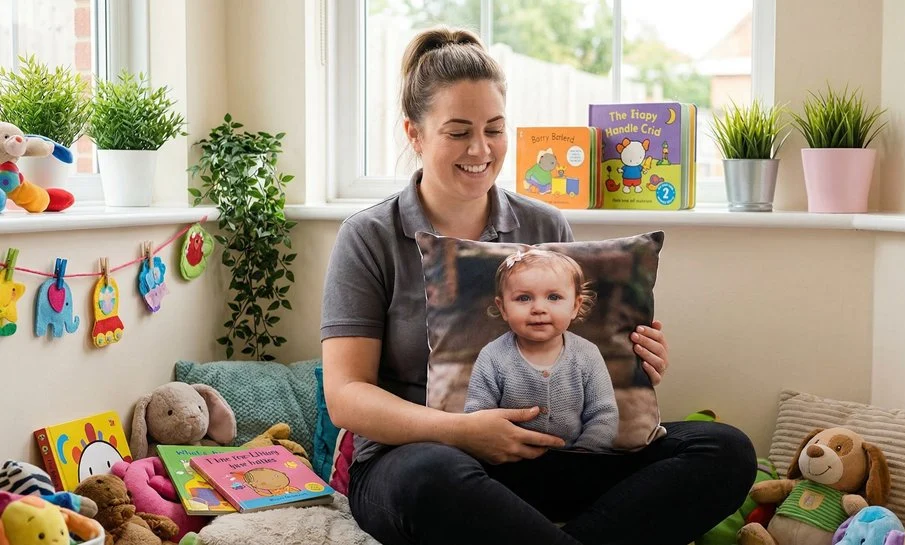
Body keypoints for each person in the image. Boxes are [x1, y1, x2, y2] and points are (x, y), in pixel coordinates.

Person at [321, 25, 756, 545]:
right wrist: (461, 431)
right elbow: (345, 396)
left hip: (554, 451)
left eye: (495, 129)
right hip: (423, 459)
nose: (480, 149)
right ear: (415, 134)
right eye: (457, 132)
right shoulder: (369, 236)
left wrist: (637, 362)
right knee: (428, 479)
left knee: (725, 450)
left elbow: (586, 365)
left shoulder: (546, 226)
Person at [465, 249, 619, 452]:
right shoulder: (493, 357)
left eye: (553, 297)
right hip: (507, 460)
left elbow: (604, 415)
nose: (539, 308)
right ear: (503, 308)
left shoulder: (587, 354)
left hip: (577, 462)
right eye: (523, 298)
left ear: (575, 305)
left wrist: (586, 454)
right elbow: (477, 415)